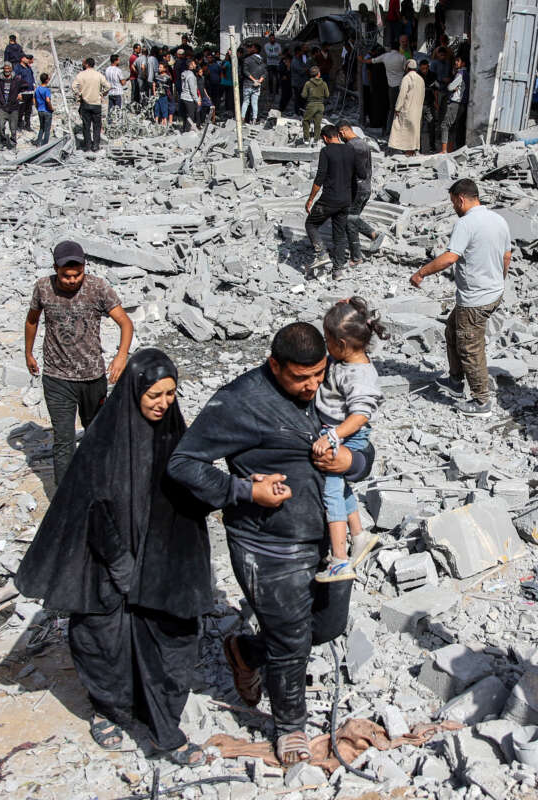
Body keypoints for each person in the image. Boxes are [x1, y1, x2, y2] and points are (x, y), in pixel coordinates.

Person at [168, 323, 374, 765]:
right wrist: (244, 490)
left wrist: (350, 461)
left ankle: (244, 652)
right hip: (266, 545)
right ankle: (289, 726)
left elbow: (363, 446)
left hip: (325, 540)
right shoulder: (239, 402)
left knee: (327, 627)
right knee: (291, 639)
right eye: (301, 378)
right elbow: (183, 462)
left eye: (319, 374)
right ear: (274, 365)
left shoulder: (331, 391)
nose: (312, 386)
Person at [16, 349, 212, 764]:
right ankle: (108, 709)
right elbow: (91, 507)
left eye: (170, 394)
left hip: (159, 563)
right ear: (134, 391)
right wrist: (122, 566)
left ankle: (162, 726)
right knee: (104, 643)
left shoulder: (174, 435)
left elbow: (190, 491)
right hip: (106, 565)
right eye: (153, 394)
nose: (162, 403)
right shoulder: (104, 441)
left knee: (170, 639)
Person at [24, 241, 134, 484]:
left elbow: (125, 323)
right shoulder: (43, 288)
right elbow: (32, 320)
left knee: (95, 432)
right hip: (57, 377)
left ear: (85, 267)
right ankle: (64, 501)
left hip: (93, 376)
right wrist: (28, 353)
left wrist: (121, 356)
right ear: (55, 269)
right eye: (66, 276)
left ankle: (99, 484)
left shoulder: (98, 288)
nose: (72, 280)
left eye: (77, 275)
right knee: (63, 440)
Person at [411, 179, 511, 417]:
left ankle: (481, 401)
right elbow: (507, 256)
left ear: (461, 199)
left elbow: (449, 258)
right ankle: (455, 382)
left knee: (469, 346)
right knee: (452, 330)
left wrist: (421, 273)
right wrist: (498, 279)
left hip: (475, 298)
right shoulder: (498, 219)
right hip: (492, 292)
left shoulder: (466, 223)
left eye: (453, 202)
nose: (454, 207)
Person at [311, 299, 386, 582]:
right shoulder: (343, 360)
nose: (325, 345)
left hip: (346, 437)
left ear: (341, 344)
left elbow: (360, 415)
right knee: (339, 486)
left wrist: (333, 436)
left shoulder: (360, 375)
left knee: (330, 493)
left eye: (327, 340)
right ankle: (359, 535)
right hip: (337, 431)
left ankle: (340, 559)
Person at [304, 124, 355, 278]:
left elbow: (320, 177)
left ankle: (321, 254)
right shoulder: (350, 149)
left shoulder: (326, 151)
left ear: (325, 138)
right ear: (338, 135)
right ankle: (338, 271)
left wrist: (310, 199)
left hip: (329, 199)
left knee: (311, 224)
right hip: (346, 199)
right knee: (339, 234)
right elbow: (357, 175)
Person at [337, 124, 383, 265]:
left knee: (349, 218)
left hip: (356, 189)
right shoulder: (363, 144)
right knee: (349, 222)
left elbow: (351, 171)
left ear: (343, 131)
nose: (340, 138)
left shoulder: (351, 147)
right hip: (366, 187)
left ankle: (373, 234)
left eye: (340, 135)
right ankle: (356, 257)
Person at [361, 47, 405, 139]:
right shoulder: (385, 60)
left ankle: (376, 123)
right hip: (385, 87)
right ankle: (385, 126)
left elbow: (369, 69)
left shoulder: (381, 59)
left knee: (376, 105)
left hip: (376, 87)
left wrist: (361, 60)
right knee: (387, 107)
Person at [72, 58, 110, 152]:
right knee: (97, 126)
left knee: (86, 126)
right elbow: (108, 86)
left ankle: (87, 146)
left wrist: (79, 94)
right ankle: (96, 146)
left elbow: (73, 86)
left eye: (84, 63)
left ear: (87, 64)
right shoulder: (98, 75)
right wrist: (101, 94)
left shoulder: (81, 75)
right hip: (96, 104)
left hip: (85, 103)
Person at [388, 59, 424, 155]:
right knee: (414, 131)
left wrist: (397, 108)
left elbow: (402, 95)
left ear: (407, 67)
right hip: (417, 111)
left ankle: (407, 151)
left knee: (404, 130)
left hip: (407, 109)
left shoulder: (407, 78)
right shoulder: (421, 79)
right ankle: (412, 151)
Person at [0, 62, 27, 150]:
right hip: (2, 106)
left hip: (13, 107)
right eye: (5, 69)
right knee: (1, 125)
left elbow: (26, 85)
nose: (7, 70)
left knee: (13, 128)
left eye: (8, 69)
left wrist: (20, 94)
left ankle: (13, 144)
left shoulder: (17, 78)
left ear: (11, 69)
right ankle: (3, 142)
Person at [440, 54, 467, 153]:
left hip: (455, 103)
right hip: (462, 104)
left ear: (463, 63)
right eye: (455, 60)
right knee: (452, 127)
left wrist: (450, 86)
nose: (456, 62)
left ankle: (444, 150)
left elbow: (450, 87)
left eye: (458, 60)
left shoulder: (460, 74)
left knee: (445, 125)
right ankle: (449, 150)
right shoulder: (466, 73)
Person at [301, 65, 329, 141]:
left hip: (311, 105)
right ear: (318, 74)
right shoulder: (324, 84)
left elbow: (303, 95)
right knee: (318, 123)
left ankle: (306, 138)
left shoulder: (308, 83)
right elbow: (327, 95)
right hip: (320, 105)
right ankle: (316, 139)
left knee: (306, 121)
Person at [418, 59, 439, 154]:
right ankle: (419, 147)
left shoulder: (433, 75)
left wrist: (436, 102)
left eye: (426, 68)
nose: (424, 70)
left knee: (431, 126)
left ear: (428, 67)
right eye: (422, 69)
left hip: (429, 105)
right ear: (419, 68)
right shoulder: (417, 76)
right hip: (418, 105)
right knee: (419, 127)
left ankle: (432, 146)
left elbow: (436, 90)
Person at [242, 44, 266, 124]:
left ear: (255, 49)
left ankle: (242, 118)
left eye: (251, 47)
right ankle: (254, 120)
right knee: (254, 103)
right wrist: (259, 81)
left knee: (246, 102)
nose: (249, 49)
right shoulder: (262, 61)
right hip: (257, 85)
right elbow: (265, 73)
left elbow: (245, 71)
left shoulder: (247, 59)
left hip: (248, 84)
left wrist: (253, 80)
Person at [15, 54, 35, 132]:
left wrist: (33, 84)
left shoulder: (28, 68)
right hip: (22, 92)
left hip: (30, 92)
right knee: (21, 110)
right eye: (26, 58)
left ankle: (27, 125)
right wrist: (18, 92)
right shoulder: (18, 68)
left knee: (28, 110)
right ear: (22, 59)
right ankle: (19, 125)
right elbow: (16, 80)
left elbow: (32, 77)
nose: (28, 60)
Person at [105, 54, 127, 123]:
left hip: (110, 92)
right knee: (118, 110)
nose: (119, 61)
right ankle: (118, 123)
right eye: (118, 60)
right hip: (118, 92)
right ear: (115, 61)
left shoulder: (107, 70)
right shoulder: (118, 70)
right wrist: (125, 80)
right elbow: (123, 82)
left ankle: (110, 123)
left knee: (110, 109)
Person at [179, 58, 200, 132]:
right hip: (189, 98)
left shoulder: (184, 73)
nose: (195, 65)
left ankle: (184, 129)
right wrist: (197, 100)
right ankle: (187, 132)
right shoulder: (191, 76)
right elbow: (193, 89)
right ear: (190, 65)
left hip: (183, 97)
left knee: (185, 116)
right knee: (190, 116)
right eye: (194, 64)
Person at [33, 72, 54, 146]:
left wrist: (37, 107)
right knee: (47, 129)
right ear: (46, 80)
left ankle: (38, 142)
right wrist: (51, 108)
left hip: (40, 110)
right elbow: (48, 100)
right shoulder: (47, 90)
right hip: (47, 111)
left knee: (41, 127)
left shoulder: (37, 89)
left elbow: (34, 99)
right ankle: (45, 144)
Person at [153, 62, 174, 127]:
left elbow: (169, 88)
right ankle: (156, 121)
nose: (159, 68)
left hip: (164, 95)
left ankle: (164, 121)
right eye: (159, 67)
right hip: (157, 95)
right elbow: (154, 84)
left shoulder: (167, 77)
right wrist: (154, 92)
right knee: (157, 108)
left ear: (165, 69)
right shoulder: (157, 76)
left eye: (161, 67)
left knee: (164, 108)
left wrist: (169, 96)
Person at [291, 45, 309, 115]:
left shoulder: (301, 59)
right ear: (298, 52)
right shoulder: (295, 61)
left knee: (302, 99)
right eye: (301, 51)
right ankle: (297, 112)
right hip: (297, 83)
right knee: (298, 99)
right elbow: (301, 71)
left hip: (302, 83)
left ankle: (301, 111)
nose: (303, 52)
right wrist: (307, 69)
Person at [264, 34, 283, 98]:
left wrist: (274, 54)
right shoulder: (266, 45)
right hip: (270, 64)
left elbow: (280, 53)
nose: (272, 39)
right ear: (269, 39)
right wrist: (277, 54)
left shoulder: (278, 45)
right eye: (271, 38)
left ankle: (277, 90)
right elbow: (268, 54)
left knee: (278, 78)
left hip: (277, 63)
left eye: (273, 38)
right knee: (270, 78)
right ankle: (271, 91)